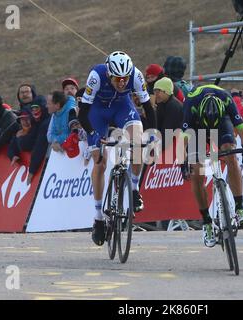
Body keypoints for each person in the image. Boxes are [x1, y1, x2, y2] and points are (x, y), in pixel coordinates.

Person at [79, 51, 156, 246]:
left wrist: (152, 134)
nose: (122, 83)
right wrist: (93, 134)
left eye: (125, 79)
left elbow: (148, 107)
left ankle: (134, 188)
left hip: (122, 107)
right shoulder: (96, 76)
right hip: (97, 112)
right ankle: (98, 217)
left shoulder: (136, 76)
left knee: (139, 142)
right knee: (100, 162)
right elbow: (84, 113)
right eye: (117, 79)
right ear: (109, 74)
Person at [180, 84, 243, 247]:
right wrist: (183, 162)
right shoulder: (190, 105)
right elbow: (183, 141)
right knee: (197, 172)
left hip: (222, 122)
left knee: (231, 154)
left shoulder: (227, 101)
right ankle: (206, 222)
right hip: (197, 127)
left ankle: (240, 208)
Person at [153, 77, 184, 150]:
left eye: (158, 92)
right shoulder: (161, 103)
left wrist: (158, 149)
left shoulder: (174, 106)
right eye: (154, 92)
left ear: (166, 91)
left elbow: (168, 131)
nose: (156, 95)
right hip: (168, 141)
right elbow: (158, 126)